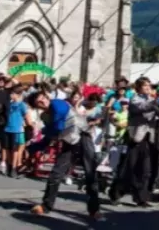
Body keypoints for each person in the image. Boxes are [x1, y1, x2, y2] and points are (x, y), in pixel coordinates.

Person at [27, 91, 101, 221]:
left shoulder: (57, 103)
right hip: (68, 142)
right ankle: (46, 206)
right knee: (55, 174)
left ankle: (94, 210)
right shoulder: (45, 116)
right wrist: (31, 148)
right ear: (36, 106)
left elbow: (58, 126)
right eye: (39, 101)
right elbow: (49, 138)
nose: (43, 101)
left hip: (83, 137)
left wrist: (46, 130)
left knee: (90, 174)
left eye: (44, 97)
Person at [109, 77, 158, 207]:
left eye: (149, 85)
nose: (148, 88)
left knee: (145, 170)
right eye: (145, 86)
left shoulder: (152, 100)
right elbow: (140, 108)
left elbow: (157, 112)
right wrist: (154, 103)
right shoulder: (135, 99)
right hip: (135, 138)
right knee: (129, 167)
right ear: (138, 88)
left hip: (148, 137)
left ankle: (141, 198)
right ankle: (115, 193)